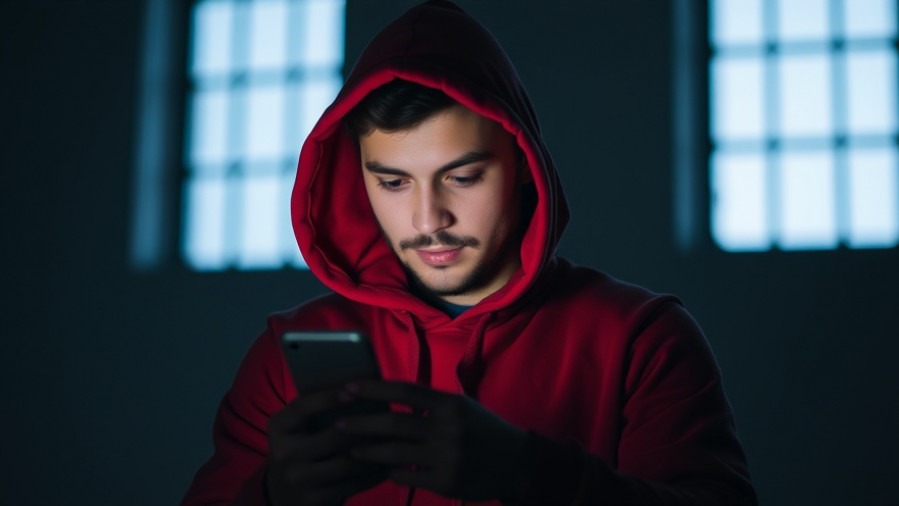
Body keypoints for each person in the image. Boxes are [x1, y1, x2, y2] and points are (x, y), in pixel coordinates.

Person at [182, 1, 757, 505]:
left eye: (463, 177)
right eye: (393, 182)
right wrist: (277, 498)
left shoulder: (642, 338)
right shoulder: (287, 355)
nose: (429, 220)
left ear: (526, 170)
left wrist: (531, 474)